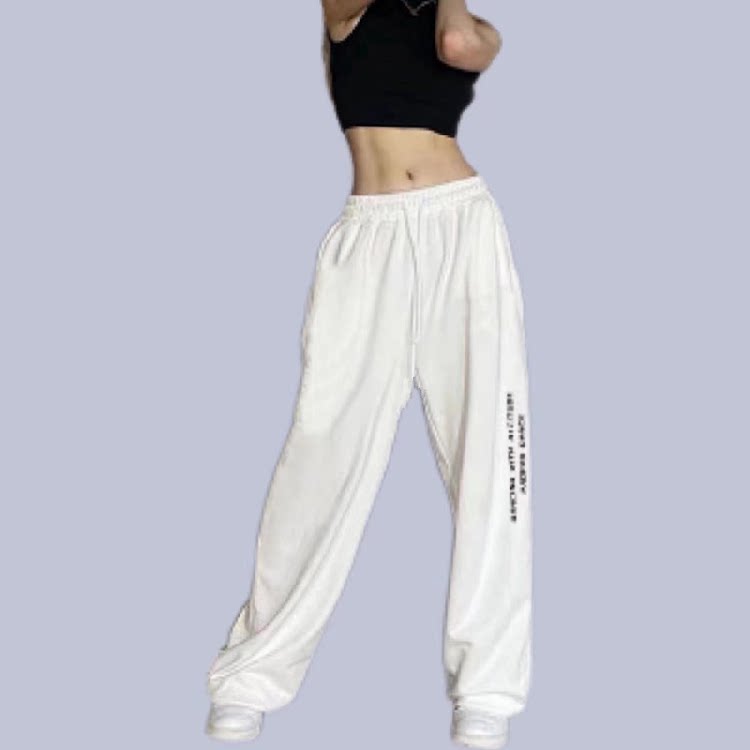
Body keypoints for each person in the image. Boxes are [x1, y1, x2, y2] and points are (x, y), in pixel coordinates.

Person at [204, 2, 532, 748]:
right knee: (321, 453)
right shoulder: (350, 8)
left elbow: (459, 42)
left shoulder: (475, 27)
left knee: (493, 461)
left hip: (463, 230)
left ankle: (486, 692)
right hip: (370, 241)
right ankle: (251, 676)